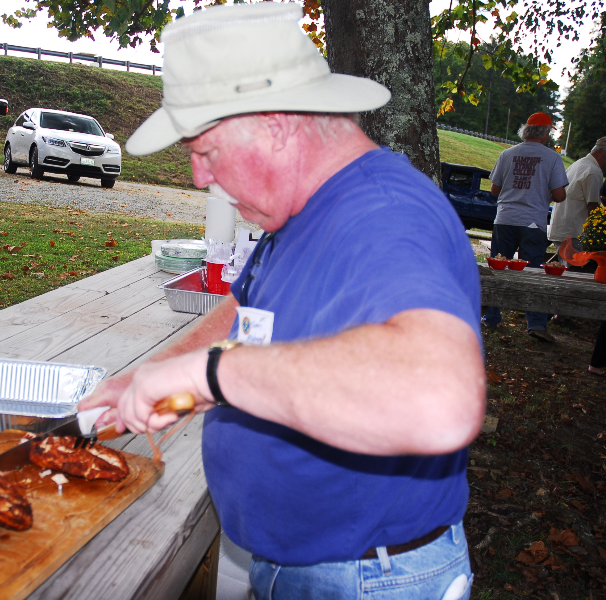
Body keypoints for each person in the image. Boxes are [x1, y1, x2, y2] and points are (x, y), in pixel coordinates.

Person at [79, 4, 486, 598]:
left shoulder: (384, 214)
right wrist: (151, 377)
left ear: (274, 124)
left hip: (366, 578)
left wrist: (209, 375)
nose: (197, 177)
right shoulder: (302, 208)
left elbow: (440, 399)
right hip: (308, 565)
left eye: (205, 151)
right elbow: (247, 313)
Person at [481, 112, 568, 342]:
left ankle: (492, 317)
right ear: (545, 133)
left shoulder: (507, 154)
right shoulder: (552, 158)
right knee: (534, 273)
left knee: (499, 269)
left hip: (505, 218)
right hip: (533, 222)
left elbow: (494, 190)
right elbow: (560, 195)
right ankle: (536, 323)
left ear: (526, 130)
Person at [548, 138, 606, 258]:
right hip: (574, 233)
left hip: (563, 229)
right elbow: (593, 207)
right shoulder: (593, 171)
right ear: (600, 152)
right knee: (573, 268)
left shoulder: (579, 163)